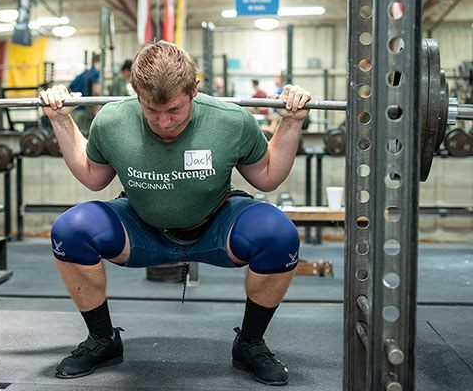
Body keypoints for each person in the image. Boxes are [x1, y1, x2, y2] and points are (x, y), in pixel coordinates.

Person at [39, 40, 311, 386]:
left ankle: (250, 344)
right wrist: (61, 121)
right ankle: (103, 340)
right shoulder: (112, 121)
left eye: (175, 110)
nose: (164, 123)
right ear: (135, 92)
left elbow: (269, 177)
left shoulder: (230, 121)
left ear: (194, 90)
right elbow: (94, 177)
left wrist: (292, 122)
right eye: (152, 110)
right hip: (141, 227)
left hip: (216, 225)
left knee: (279, 233)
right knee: (70, 228)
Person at [67, 53, 102, 138]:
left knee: (74, 137)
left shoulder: (82, 75)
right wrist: (95, 110)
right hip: (84, 112)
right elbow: (96, 92)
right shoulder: (96, 73)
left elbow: (69, 89)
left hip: (75, 110)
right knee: (85, 138)